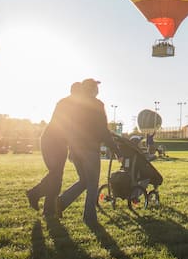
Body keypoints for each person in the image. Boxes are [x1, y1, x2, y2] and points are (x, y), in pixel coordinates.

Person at [56, 78, 119, 228]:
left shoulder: (74, 106)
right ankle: (89, 217)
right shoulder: (97, 105)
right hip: (90, 150)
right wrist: (115, 149)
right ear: (92, 89)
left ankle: (60, 202)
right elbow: (103, 130)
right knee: (92, 184)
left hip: (76, 150)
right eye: (96, 87)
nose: (98, 90)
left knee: (84, 181)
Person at [27, 81, 83, 217]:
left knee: (56, 176)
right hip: (53, 141)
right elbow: (69, 127)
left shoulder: (67, 103)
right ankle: (35, 194)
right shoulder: (69, 104)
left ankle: (48, 210)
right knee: (56, 175)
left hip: (56, 142)